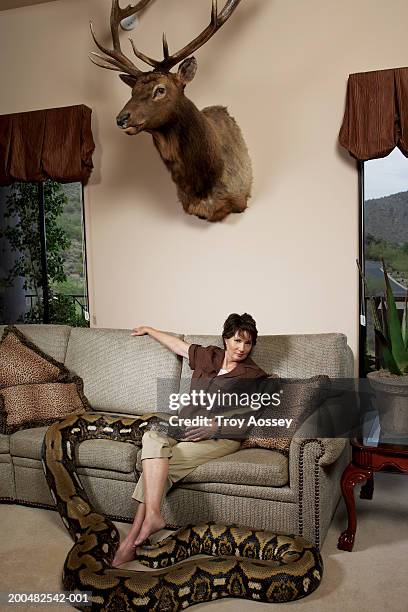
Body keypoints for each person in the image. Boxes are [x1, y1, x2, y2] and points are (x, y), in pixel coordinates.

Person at [112, 313, 267, 567]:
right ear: (226, 338)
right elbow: (177, 345)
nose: (242, 348)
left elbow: (252, 418)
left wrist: (215, 427)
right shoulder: (209, 355)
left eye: (248, 343)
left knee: (163, 465)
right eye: (237, 341)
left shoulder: (254, 375)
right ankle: (153, 514)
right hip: (183, 425)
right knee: (152, 438)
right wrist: (150, 329)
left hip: (220, 438)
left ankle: (130, 541)